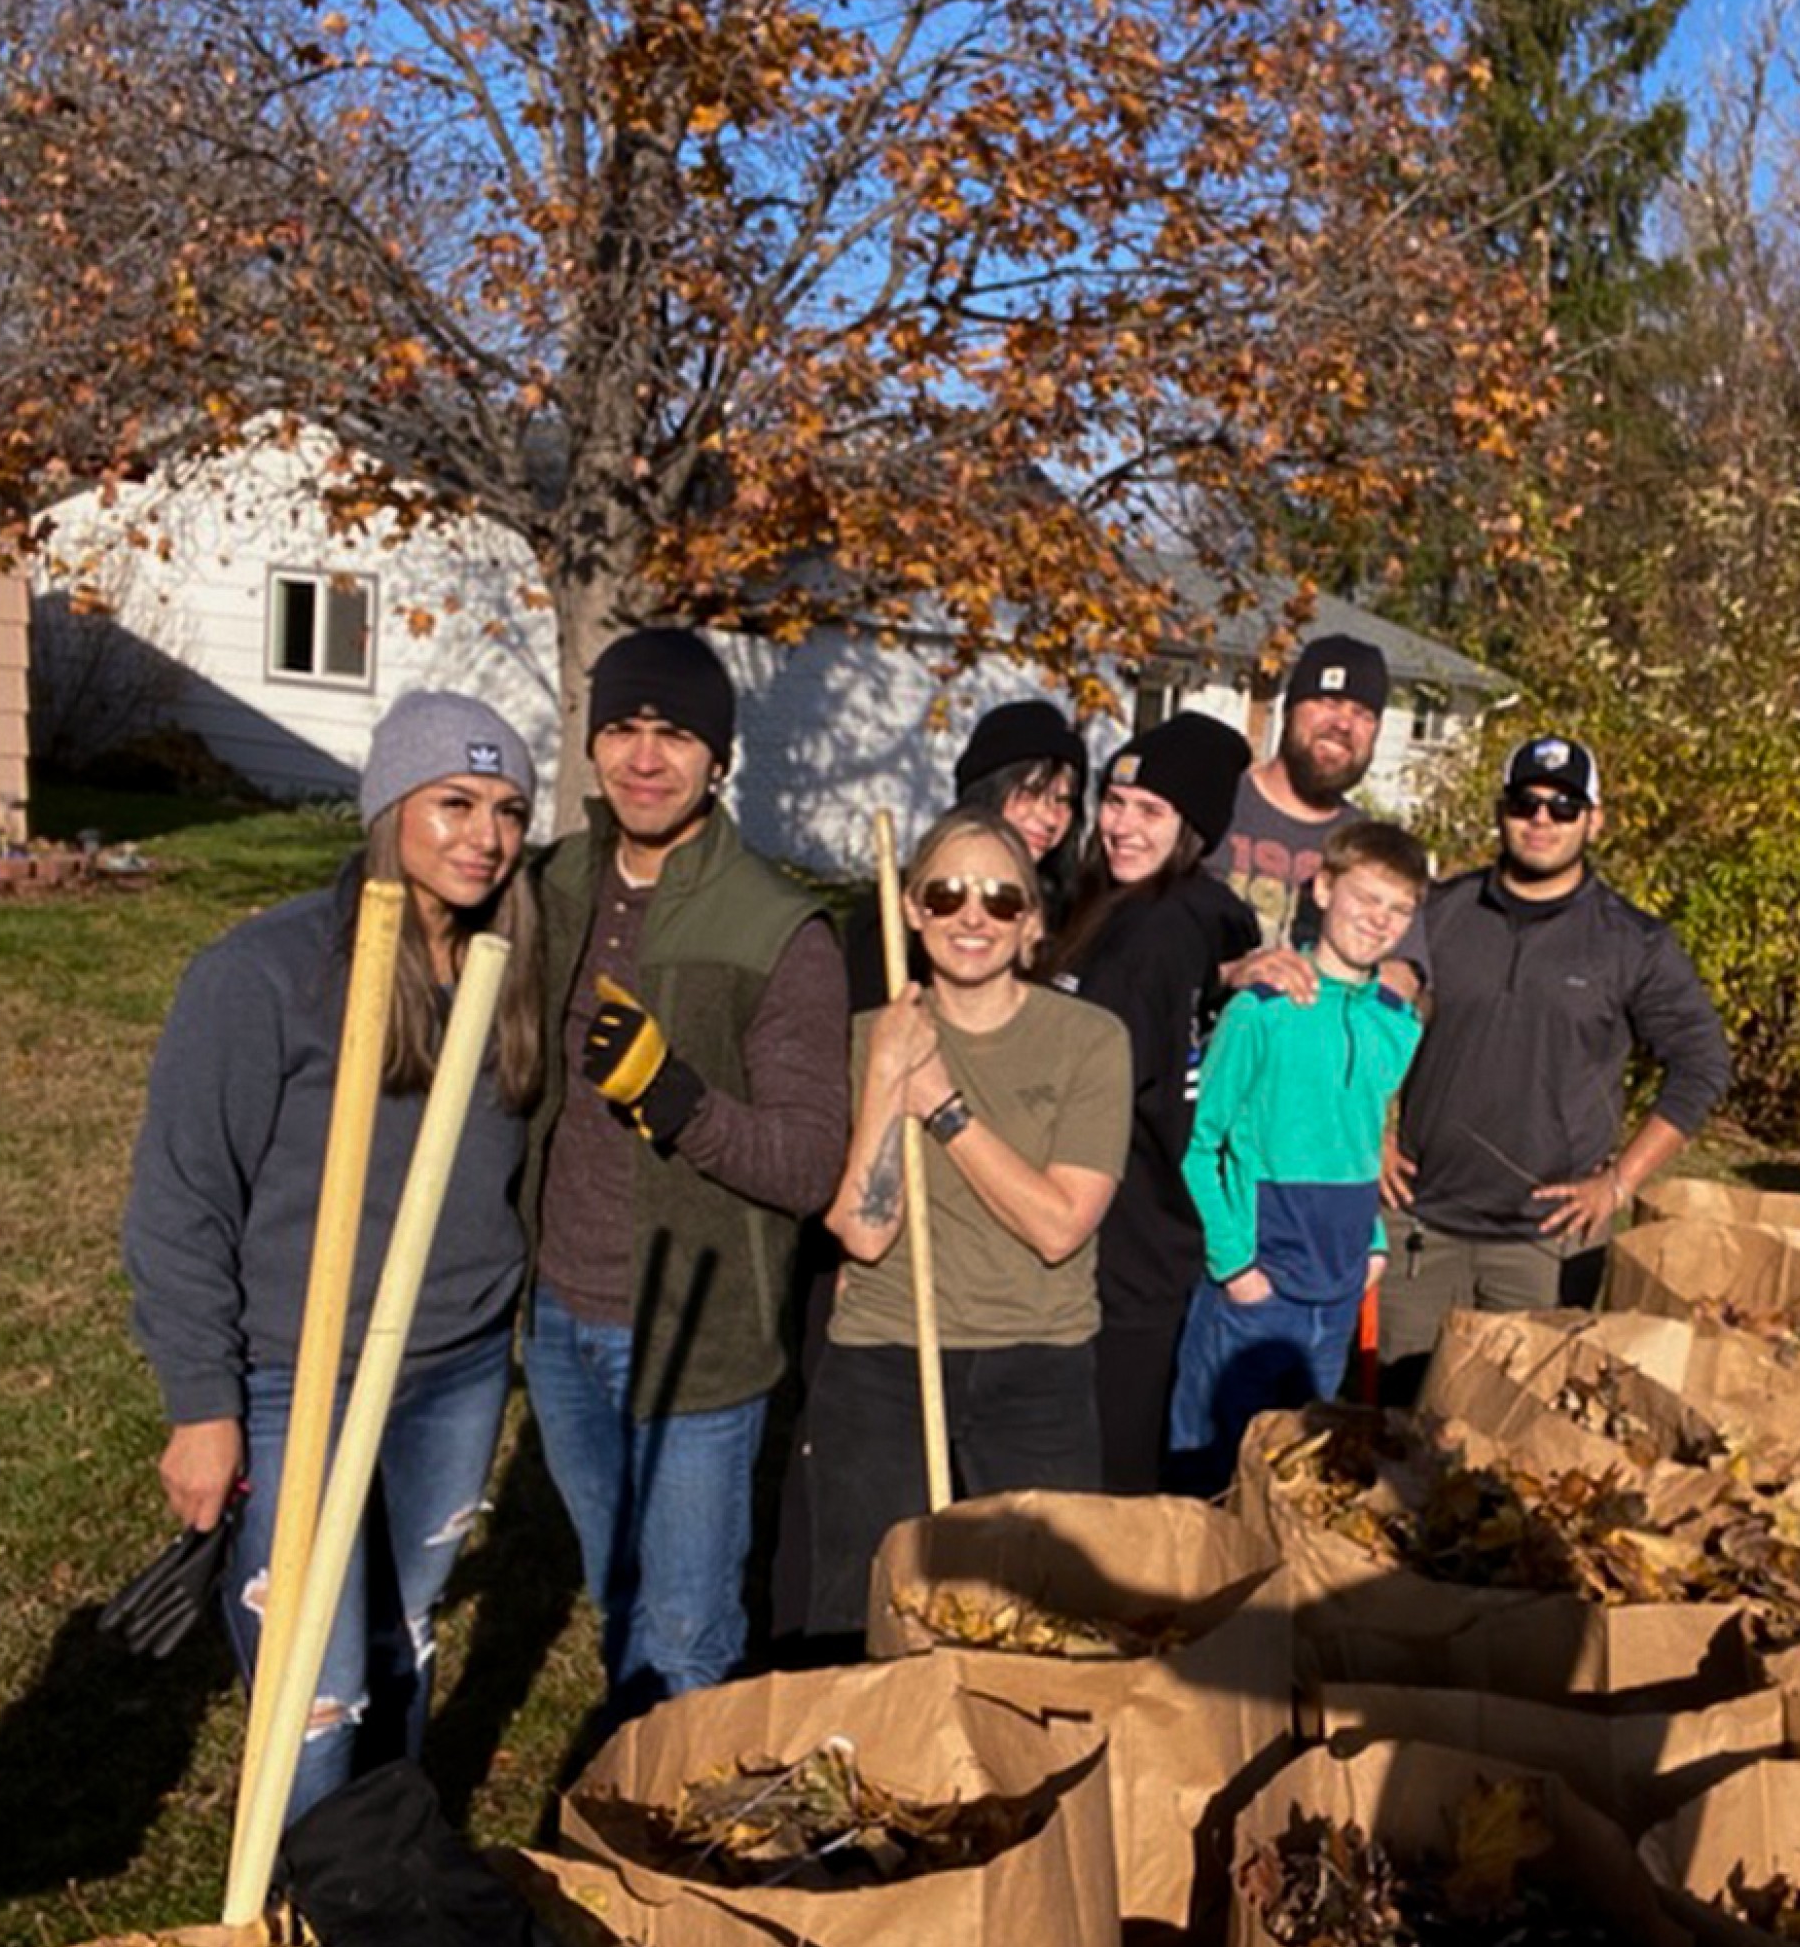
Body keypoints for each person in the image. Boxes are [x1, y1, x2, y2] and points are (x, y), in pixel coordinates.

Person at [125, 690, 544, 1822]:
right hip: (291, 1372)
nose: (484, 835)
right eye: (452, 801)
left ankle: (384, 1878)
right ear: (388, 807)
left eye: (508, 808)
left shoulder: (506, 976)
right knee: (319, 1681)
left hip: (450, 1364)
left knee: (401, 1635)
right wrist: (202, 1404)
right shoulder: (261, 975)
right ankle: (298, 1891)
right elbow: (179, 1198)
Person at [522, 626, 849, 1723]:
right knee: (617, 1594)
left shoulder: (776, 927)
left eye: (675, 734)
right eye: (622, 728)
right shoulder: (557, 883)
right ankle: (630, 1778)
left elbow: (808, 1164)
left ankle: (679, 1864)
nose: (645, 757)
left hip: (696, 1340)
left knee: (689, 1633)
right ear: (592, 744)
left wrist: (679, 1101)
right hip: (562, 1312)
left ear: (719, 757)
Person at [805, 808, 1132, 1638]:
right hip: (885, 1356)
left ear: (1034, 922)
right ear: (912, 910)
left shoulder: (1090, 1040)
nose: (971, 918)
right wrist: (886, 1071)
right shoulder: (864, 1038)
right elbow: (863, 1232)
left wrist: (942, 1106)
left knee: (1042, 1618)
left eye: (1000, 899)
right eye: (946, 895)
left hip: (1037, 1363)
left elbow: (1060, 1226)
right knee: (866, 1611)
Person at [1375, 734, 1732, 1403]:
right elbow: (1358, 1013)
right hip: (1421, 1227)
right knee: (1400, 1422)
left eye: (1564, 807)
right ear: (1501, 811)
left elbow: (1703, 1064)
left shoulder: (1633, 942)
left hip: (1546, 1245)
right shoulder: (1437, 913)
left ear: (1595, 819)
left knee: (1517, 1434)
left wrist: (1621, 1183)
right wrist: (1370, 1130)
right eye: (1525, 802)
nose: (1541, 819)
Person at [1172, 822, 1428, 1492]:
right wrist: (1235, 1264)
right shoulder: (1261, 1012)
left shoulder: (1393, 1026)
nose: (1380, 920)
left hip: (1339, 1289)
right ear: (1323, 888)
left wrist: (1372, 1243)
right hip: (1259, 1289)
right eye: (1366, 898)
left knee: (1297, 1477)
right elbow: (1201, 1146)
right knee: (1212, 1469)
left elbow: (1360, 1140)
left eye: (1399, 909)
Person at [1044, 713, 1260, 1492]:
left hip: (1128, 1241)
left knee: (1112, 1475)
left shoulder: (1164, 931)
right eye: (1115, 801)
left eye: (1150, 811)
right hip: (1125, 1235)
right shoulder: (1117, 908)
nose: (1120, 826)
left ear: (1192, 828)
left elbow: (1104, 1083)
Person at [843, 697, 1090, 1012]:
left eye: (1063, 800)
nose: (1048, 817)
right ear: (987, 792)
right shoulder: (899, 914)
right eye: (1029, 794)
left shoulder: (1070, 913)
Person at [1217, 633, 1423, 1000]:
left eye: (1363, 714)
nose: (1343, 725)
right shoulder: (1215, 808)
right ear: (1289, 709)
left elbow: (1411, 978)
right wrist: (1229, 973)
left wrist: (1396, 985)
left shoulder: (1376, 847)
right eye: (1329, 701)